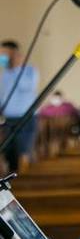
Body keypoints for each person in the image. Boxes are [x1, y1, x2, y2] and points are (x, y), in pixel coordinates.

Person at [0, 40, 40, 173]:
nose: (2, 57)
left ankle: (25, 185)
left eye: (4, 53)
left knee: (23, 152)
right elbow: (4, 96)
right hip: (8, 119)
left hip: (25, 118)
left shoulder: (29, 71)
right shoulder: (5, 73)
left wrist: (17, 68)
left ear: (14, 53)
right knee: (9, 153)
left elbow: (28, 87)